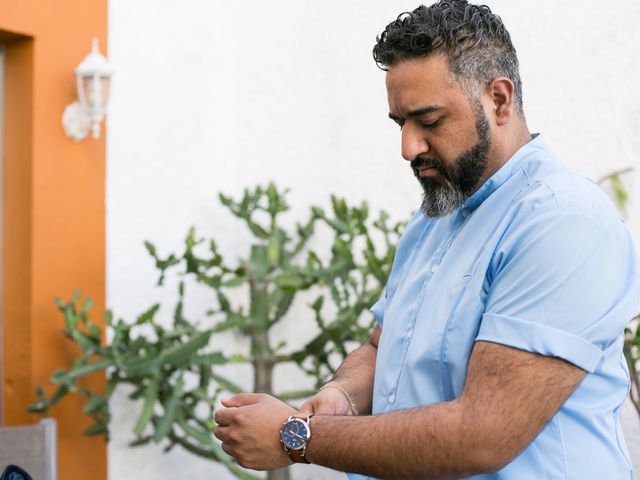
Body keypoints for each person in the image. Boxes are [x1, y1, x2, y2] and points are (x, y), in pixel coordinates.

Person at [214, 1, 640, 478]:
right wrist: (342, 394)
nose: (408, 147)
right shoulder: (434, 218)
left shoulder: (563, 222)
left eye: (430, 121)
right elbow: (382, 348)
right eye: (400, 123)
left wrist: (296, 437)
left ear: (499, 100)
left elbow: (483, 435)